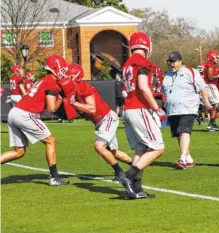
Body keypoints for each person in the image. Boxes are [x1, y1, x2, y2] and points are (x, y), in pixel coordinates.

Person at [0, 55, 70, 186]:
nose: (64, 72)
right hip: (25, 114)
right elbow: (51, 108)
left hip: (15, 112)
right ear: (55, 68)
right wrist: (62, 97)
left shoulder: (43, 80)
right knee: (50, 140)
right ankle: (54, 177)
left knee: (19, 152)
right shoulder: (51, 82)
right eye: (62, 69)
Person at [64, 63, 132, 182]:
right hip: (100, 121)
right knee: (112, 152)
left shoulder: (83, 87)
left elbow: (92, 108)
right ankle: (136, 165)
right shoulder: (74, 89)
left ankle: (119, 172)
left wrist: (74, 104)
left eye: (68, 76)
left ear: (76, 77)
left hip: (106, 118)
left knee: (99, 146)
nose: (65, 78)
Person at [120, 31, 165, 199]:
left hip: (128, 109)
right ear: (146, 45)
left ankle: (136, 189)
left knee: (141, 150)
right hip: (140, 108)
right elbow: (143, 87)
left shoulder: (127, 64)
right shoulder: (142, 62)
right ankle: (129, 176)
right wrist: (156, 108)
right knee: (158, 148)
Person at [161, 51, 213, 169]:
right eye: (169, 62)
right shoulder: (167, 75)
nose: (171, 64)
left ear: (180, 61)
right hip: (172, 110)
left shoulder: (191, 72)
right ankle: (189, 158)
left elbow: (202, 88)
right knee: (179, 134)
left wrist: (207, 104)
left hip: (188, 108)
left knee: (184, 131)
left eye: (173, 62)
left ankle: (183, 158)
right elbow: (163, 91)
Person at [203, 50, 219, 131]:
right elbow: (210, 77)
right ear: (212, 56)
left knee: (216, 104)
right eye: (216, 56)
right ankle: (211, 124)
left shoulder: (213, 65)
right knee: (216, 103)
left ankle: (212, 122)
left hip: (211, 85)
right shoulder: (210, 65)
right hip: (210, 85)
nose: (218, 58)